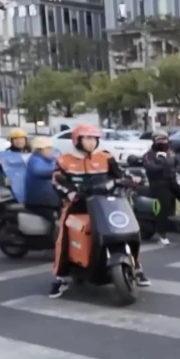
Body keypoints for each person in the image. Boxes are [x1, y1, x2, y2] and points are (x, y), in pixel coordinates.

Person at [49, 123, 150, 298]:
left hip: (106, 203)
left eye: (94, 139)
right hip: (78, 206)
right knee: (63, 237)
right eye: (87, 138)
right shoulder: (65, 159)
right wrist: (71, 192)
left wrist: (134, 179)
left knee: (129, 231)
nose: (91, 142)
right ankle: (60, 278)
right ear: (77, 140)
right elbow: (57, 181)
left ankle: (137, 268)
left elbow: (120, 174)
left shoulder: (105, 157)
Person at [142, 130, 180, 245]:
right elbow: (149, 166)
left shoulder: (170, 153)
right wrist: (162, 166)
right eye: (159, 139)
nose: (162, 141)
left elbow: (179, 163)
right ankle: (161, 234)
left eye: (164, 139)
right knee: (164, 206)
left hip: (172, 181)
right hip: (157, 183)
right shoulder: (149, 155)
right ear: (154, 141)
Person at [24, 137, 61, 228]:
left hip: (51, 201)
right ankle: (54, 241)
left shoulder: (52, 160)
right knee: (57, 221)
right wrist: (57, 171)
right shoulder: (35, 160)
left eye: (51, 148)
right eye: (48, 149)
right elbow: (39, 171)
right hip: (39, 202)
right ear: (39, 150)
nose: (51, 151)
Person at [0, 128, 31, 199]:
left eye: (21, 138)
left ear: (25, 139)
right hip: (15, 184)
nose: (19, 141)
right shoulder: (8, 153)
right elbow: (2, 167)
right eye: (15, 139)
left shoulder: (31, 151)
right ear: (12, 141)